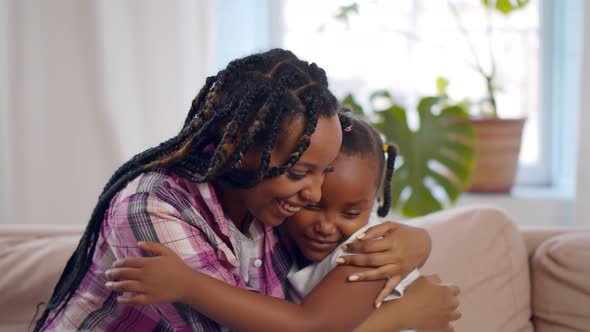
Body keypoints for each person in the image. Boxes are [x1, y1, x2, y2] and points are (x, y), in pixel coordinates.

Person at [34, 49, 431, 331]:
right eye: (299, 173)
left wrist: (418, 242)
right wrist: (398, 316)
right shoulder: (151, 209)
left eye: (324, 172)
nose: (314, 195)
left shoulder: (276, 208)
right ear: (240, 148)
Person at [106, 115, 461, 332]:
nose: (326, 226)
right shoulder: (274, 234)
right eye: (313, 202)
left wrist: (405, 311)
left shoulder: (372, 248)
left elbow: (315, 327)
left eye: (350, 214)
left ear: (374, 205)